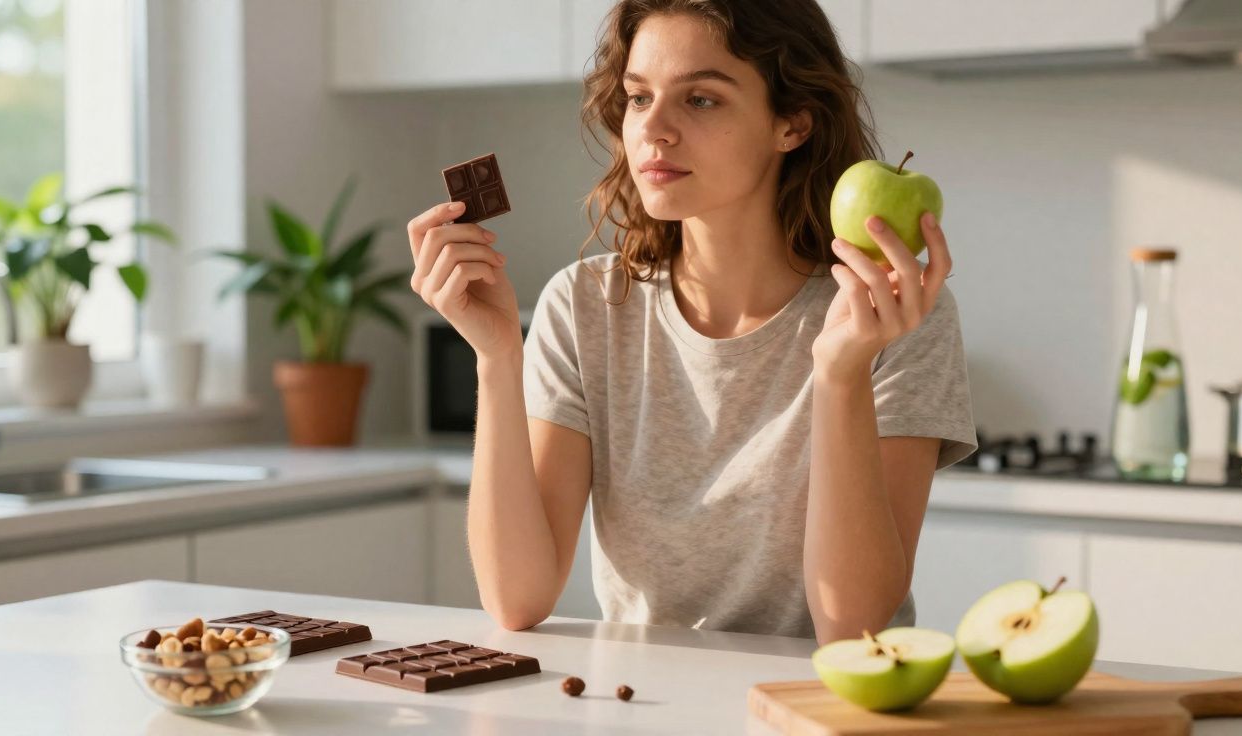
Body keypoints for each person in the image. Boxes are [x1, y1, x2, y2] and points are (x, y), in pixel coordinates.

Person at [406, 0, 976, 644]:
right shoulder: (585, 306)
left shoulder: (895, 314)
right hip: (645, 702)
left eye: (700, 99)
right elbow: (517, 599)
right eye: (639, 97)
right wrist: (498, 357)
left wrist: (840, 375)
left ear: (792, 123)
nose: (654, 129)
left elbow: (853, 626)